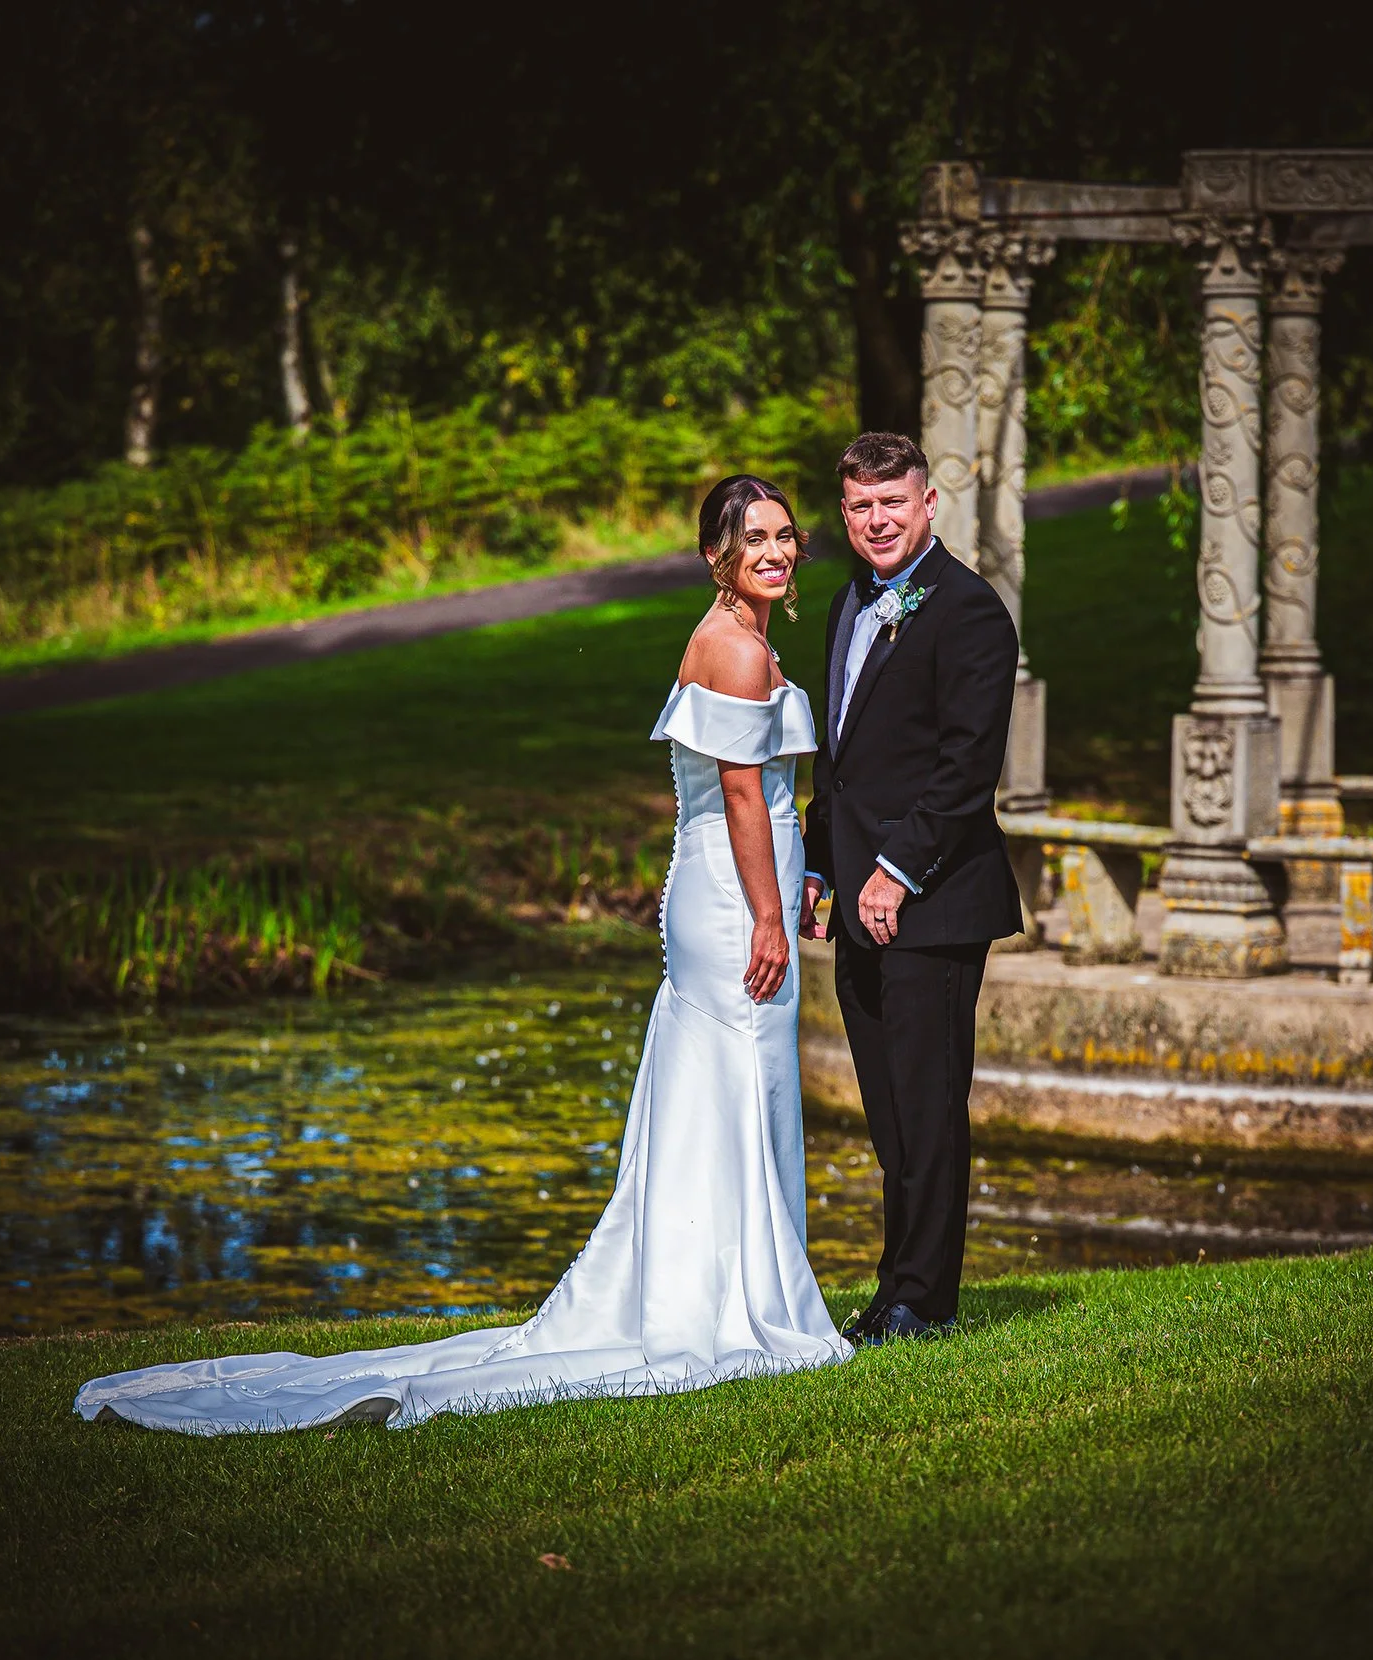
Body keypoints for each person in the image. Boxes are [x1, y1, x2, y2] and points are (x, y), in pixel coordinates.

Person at [74, 474, 851, 1433]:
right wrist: (772, 916)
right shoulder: (731, 649)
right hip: (735, 901)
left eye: (785, 537)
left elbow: (764, 796)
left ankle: (730, 1288)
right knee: (741, 1074)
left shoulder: (746, 637)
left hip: (744, 881)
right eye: (756, 540)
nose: (776, 553)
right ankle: (731, 1308)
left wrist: (798, 872)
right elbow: (739, 797)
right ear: (716, 555)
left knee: (740, 1084)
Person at [801, 432, 1022, 1346]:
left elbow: (967, 769)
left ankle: (925, 1302)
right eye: (860, 506)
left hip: (929, 902)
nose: (877, 520)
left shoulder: (969, 612)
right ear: (845, 513)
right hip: (854, 901)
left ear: (929, 504)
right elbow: (843, 766)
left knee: (928, 1105)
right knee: (892, 1110)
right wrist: (819, 865)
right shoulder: (850, 604)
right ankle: (898, 1286)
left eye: (893, 503)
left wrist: (894, 873)